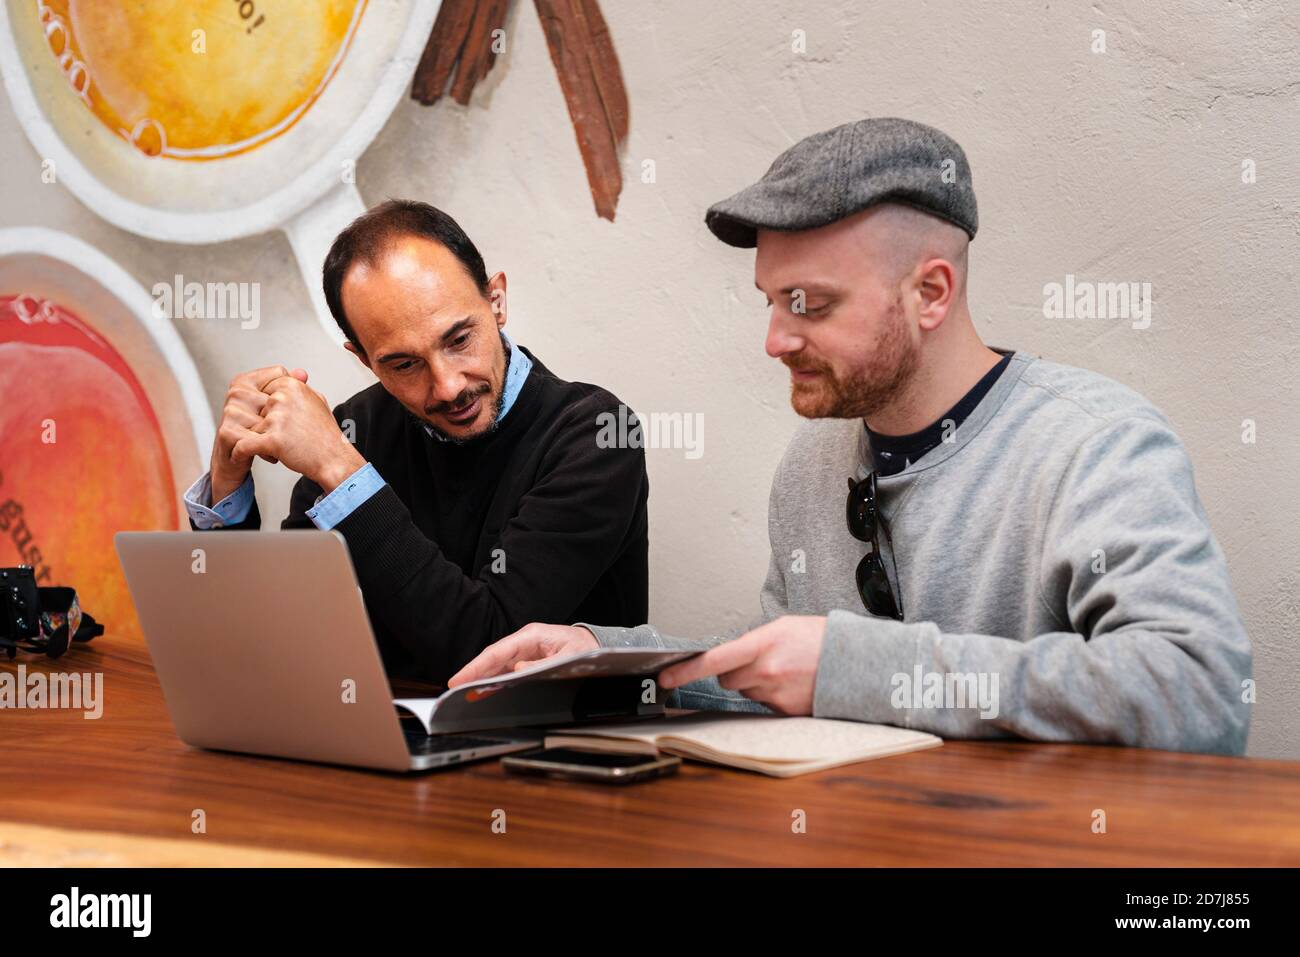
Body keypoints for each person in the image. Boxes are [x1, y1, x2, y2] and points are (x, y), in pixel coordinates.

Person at [450, 118, 1251, 755]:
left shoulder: (1097, 444)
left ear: (931, 292)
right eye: (769, 300)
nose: (774, 339)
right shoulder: (813, 464)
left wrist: (859, 666)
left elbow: (1200, 692)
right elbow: (790, 675)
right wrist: (600, 655)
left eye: (810, 303)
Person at [183, 200, 649, 683]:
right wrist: (228, 480)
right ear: (364, 360)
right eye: (404, 365)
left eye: (459, 340)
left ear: (497, 302)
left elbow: (489, 657)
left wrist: (342, 474)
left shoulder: (598, 434)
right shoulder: (355, 428)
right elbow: (280, 634)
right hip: (387, 736)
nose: (448, 387)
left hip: (563, 747)